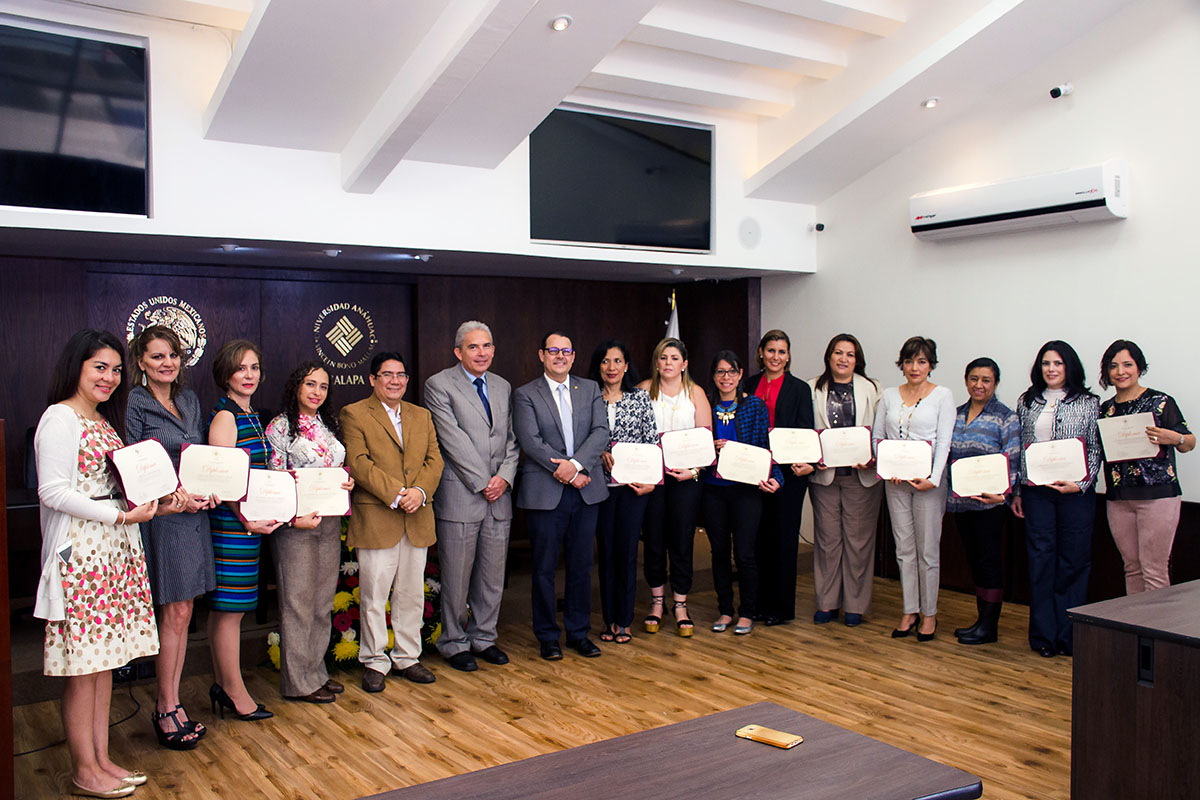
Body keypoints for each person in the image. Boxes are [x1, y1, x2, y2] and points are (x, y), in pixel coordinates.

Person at [35, 329, 159, 797]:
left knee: (104, 664)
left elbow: (119, 484)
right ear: (78, 368)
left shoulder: (104, 421)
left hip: (114, 549)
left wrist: (156, 504)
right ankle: (83, 769)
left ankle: (103, 759)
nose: (109, 377)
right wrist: (120, 515)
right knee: (83, 669)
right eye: (99, 367)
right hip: (82, 555)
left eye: (115, 369)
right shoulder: (60, 418)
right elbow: (53, 492)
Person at [126, 325, 214, 749]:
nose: (167, 363)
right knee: (174, 611)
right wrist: (169, 494)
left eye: (173, 355)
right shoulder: (134, 402)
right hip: (163, 518)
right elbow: (131, 461)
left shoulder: (189, 399)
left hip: (195, 516)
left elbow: (198, 455)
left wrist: (207, 487)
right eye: (157, 356)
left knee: (183, 612)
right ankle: (165, 707)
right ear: (141, 361)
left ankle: (172, 701)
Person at [341, 352, 443, 690]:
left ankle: (407, 657)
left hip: (417, 515)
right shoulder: (355, 413)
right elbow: (358, 462)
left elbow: (435, 460)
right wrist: (399, 493)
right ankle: (374, 660)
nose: (395, 381)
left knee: (412, 594)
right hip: (378, 516)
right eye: (387, 374)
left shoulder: (421, 415)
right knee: (374, 596)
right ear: (373, 379)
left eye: (400, 375)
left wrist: (420, 493)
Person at [423, 321, 520, 672]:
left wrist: (504, 478)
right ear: (458, 352)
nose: (482, 353)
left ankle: (484, 637)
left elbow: (511, 438)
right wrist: (484, 482)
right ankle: (453, 641)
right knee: (456, 577)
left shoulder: (502, 385)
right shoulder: (439, 384)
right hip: (463, 494)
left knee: (492, 577)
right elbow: (452, 440)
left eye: (487, 346)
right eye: (473, 347)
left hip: (499, 496)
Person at [513, 331, 610, 660]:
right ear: (541, 355)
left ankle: (578, 633)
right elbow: (530, 440)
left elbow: (601, 432)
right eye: (553, 350)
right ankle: (547, 636)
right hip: (546, 491)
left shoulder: (591, 388)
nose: (560, 356)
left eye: (566, 351)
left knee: (582, 566)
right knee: (543, 568)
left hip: (586, 489)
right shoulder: (526, 393)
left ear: (573, 355)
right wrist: (568, 471)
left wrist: (577, 465)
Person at [265, 361, 355, 703]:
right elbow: (273, 480)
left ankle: (316, 672)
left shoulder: (328, 424)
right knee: (297, 603)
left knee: (321, 603)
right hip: (296, 524)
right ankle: (297, 682)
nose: (317, 392)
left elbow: (336, 467)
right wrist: (291, 516)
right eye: (310, 384)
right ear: (296, 387)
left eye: (323, 386)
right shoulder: (280, 427)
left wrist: (347, 481)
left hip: (330, 520)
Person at [207, 339, 281, 721]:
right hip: (232, 525)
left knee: (230, 610)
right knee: (229, 612)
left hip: (249, 523)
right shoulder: (225, 417)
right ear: (226, 375)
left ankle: (224, 685)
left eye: (254, 368)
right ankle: (234, 692)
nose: (248, 375)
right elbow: (225, 481)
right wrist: (246, 518)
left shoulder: (250, 413)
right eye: (241, 368)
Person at [1013, 340, 1100, 658]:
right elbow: (1023, 447)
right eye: (1046, 363)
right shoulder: (1028, 401)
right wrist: (1019, 490)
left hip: (1075, 495)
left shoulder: (1090, 402)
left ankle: (1069, 637)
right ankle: (1043, 636)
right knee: (1040, 561)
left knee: (1073, 563)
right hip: (1037, 494)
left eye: (1058, 363)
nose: (1051, 369)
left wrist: (1082, 483)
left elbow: (1094, 448)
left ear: (1070, 367)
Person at [873, 336, 956, 642]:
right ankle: (909, 610)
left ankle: (930, 614)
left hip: (928, 484)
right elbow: (877, 436)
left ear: (931, 365)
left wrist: (933, 477)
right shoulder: (890, 395)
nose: (914, 367)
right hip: (896, 484)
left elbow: (945, 441)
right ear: (902, 364)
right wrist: (887, 467)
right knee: (904, 550)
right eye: (909, 361)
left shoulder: (942, 396)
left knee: (928, 551)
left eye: (921, 361)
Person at [1097, 340, 1193, 594]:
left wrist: (1174, 438)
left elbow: (1188, 442)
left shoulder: (1160, 401)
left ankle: (1156, 633)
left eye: (1128, 364)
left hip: (1158, 496)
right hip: (1118, 499)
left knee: (1154, 570)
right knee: (1132, 568)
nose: (1120, 372)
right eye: (1114, 366)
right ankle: (1136, 632)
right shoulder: (1105, 410)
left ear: (1139, 367)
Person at [704, 351, 783, 635]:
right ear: (713, 377)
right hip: (714, 489)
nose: (726, 377)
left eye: (731, 372)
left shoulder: (755, 406)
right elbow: (696, 443)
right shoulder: (706, 406)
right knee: (719, 552)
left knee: (746, 554)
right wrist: (708, 446)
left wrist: (776, 477)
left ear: (740, 375)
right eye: (720, 372)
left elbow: (764, 445)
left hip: (746, 490)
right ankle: (725, 610)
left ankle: (747, 612)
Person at [637, 337, 712, 636]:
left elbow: (707, 441)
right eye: (663, 358)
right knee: (653, 540)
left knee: (682, 541)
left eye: (674, 358)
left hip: (685, 479)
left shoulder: (695, 393)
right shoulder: (643, 391)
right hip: (652, 479)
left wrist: (692, 470)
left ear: (685, 363)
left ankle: (680, 603)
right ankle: (657, 602)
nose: (668, 363)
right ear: (656, 363)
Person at [808, 334, 883, 627]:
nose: (843, 359)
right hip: (824, 475)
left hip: (861, 476)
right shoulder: (812, 387)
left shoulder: (873, 388)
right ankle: (827, 603)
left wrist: (875, 455)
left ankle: (855, 604)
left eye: (850, 355)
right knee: (827, 541)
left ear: (857, 360)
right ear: (829, 357)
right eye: (838, 353)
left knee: (858, 542)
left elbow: (881, 430)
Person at [946, 357, 1020, 645]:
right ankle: (980, 621)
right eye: (974, 379)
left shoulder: (1006, 416)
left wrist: (1004, 492)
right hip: (961, 504)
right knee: (975, 561)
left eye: (986, 380)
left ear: (995, 384)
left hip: (990, 505)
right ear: (966, 381)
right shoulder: (954, 414)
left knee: (989, 562)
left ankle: (989, 626)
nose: (979, 385)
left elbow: (1013, 458)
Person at [588, 340, 657, 644]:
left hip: (632, 488)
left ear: (627, 365)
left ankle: (625, 620)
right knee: (606, 555)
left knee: (627, 554)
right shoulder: (589, 398)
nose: (611, 367)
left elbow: (652, 441)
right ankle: (609, 620)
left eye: (617, 361)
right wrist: (599, 452)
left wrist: (650, 480)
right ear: (598, 366)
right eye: (605, 361)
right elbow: (580, 439)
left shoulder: (641, 398)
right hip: (599, 489)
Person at [742, 329, 813, 626]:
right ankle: (756, 604)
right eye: (771, 350)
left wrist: (803, 462)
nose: (776, 357)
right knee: (757, 539)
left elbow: (805, 429)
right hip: (752, 472)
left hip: (788, 474)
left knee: (783, 540)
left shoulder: (799, 389)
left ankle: (781, 608)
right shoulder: (748, 384)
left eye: (782, 352)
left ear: (788, 356)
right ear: (761, 352)